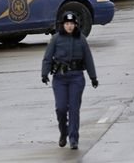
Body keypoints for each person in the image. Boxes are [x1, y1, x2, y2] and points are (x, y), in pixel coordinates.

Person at [41, 12, 99, 150]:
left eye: (72, 24)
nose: (69, 26)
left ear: (76, 25)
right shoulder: (56, 39)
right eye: (67, 24)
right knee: (61, 108)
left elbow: (88, 59)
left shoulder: (81, 39)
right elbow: (47, 57)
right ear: (62, 25)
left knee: (74, 109)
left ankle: (73, 139)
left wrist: (93, 77)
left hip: (76, 77)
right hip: (60, 79)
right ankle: (63, 131)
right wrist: (44, 73)